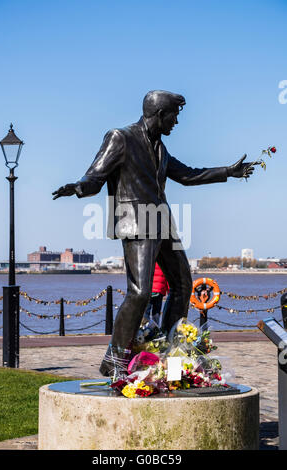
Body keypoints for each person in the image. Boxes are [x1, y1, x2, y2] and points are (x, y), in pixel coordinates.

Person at [52, 90, 254, 377]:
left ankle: (172, 350)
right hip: (136, 222)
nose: (176, 122)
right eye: (174, 116)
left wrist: (227, 172)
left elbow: (187, 175)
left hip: (163, 223)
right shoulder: (120, 137)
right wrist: (78, 187)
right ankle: (114, 360)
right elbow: (95, 174)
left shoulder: (161, 148)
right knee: (140, 292)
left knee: (183, 283)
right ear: (161, 114)